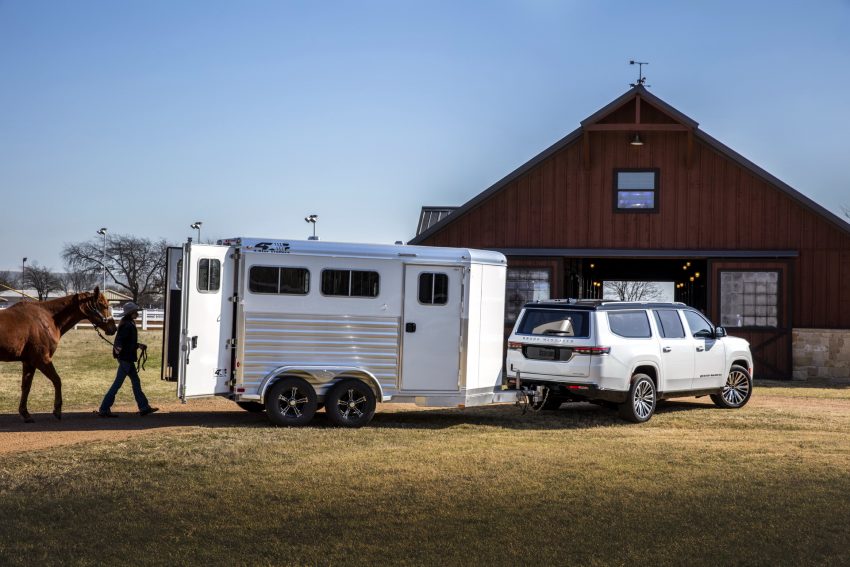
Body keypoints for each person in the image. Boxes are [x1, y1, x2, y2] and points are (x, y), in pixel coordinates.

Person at [98, 302, 159, 417]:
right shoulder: (127, 325)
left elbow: (128, 342)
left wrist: (138, 345)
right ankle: (104, 408)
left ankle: (144, 407)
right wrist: (119, 350)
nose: (138, 313)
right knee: (117, 384)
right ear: (131, 313)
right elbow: (120, 340)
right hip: (126, 359)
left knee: (136, 382)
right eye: (136, 312)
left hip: (127, 358)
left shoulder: (129, 323)